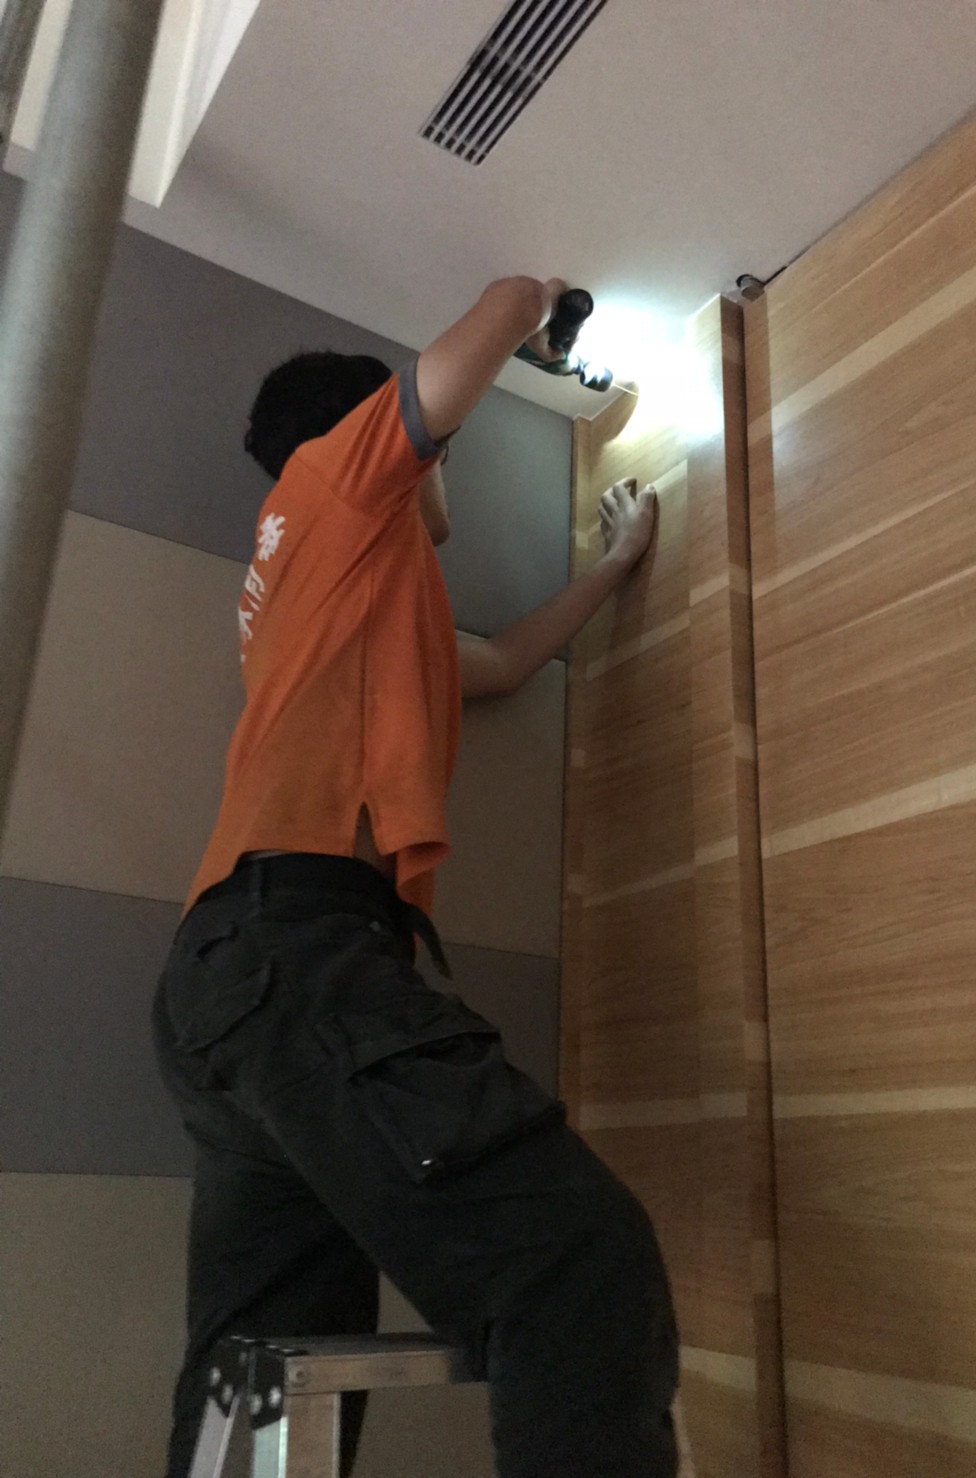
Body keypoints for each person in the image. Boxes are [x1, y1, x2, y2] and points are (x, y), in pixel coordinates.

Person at [151, 275, 678, 1478]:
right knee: (573, 1260)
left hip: (232, 984)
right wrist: (538, 302)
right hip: (298, 952)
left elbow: (499, 663)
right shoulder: (332, 485)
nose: (443, 473)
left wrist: (616, 563)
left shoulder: (331, 587)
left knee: (269, 1358)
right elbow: (478, 331)